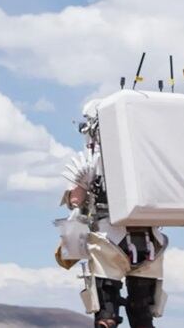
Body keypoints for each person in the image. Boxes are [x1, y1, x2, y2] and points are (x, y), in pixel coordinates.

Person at [59, 101, 166, 328]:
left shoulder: (93, 160)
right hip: (151, 243)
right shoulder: (152, 157)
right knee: (142, 314)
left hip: (110, 241)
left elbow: (76, 200)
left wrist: (74, 200)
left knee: (106, 311)